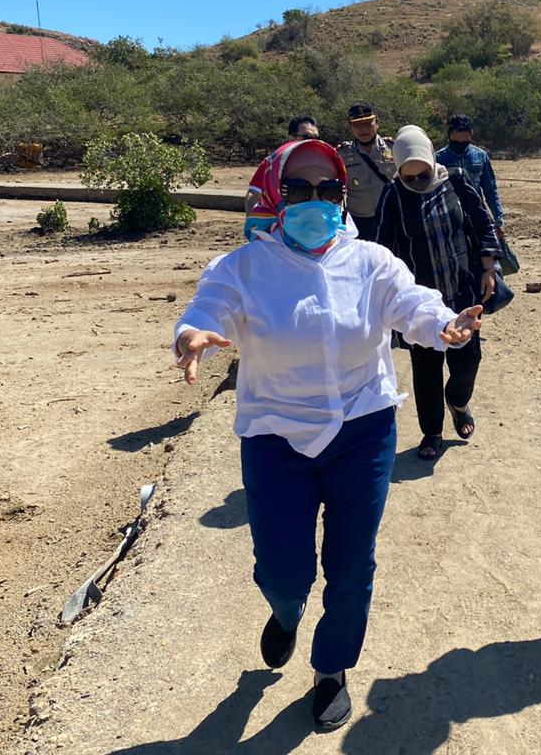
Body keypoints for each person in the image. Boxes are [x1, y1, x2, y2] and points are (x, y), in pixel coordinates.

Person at [174, 138, 483, 730]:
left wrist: (443, 324)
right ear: (273, 195)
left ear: (344, 197)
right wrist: (192, 335)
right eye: (298, 189)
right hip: (274, 437)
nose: (315, 200)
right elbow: (207, 308)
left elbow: (410, 302)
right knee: (284, 568)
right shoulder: (242, 268)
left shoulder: (371, 262)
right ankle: (286, 610)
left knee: (351, 564)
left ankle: (332, 668)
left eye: (328, 189)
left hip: (362, 430)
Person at [373, 125, 500, 461]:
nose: (417, 182)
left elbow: (482, 222)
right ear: (399, 171)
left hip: (462, 292)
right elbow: (382, 248)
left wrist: (489, 268)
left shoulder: (456, 180)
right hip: (420, 302)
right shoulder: (393, 195)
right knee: (425, 367)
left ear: (431, 159)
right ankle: (432, 431)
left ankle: (458, 401)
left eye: (423, 174)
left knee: (468, 359)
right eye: (409, 176)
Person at [435, 114, 505, 237]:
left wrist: (498, 219)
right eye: (456, 142)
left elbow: (490, 190)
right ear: (449, 135)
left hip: (477, 213)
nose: (460, 145)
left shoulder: (481, 156)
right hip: (450, 215)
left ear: (471, 135)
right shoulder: (437, 159)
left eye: (464, 142)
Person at [337, 101, 396, 240]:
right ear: (350, 127)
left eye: (368, 123)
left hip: (392, 218)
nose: (363, 129)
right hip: (359, 221)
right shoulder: (342, 155)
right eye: (357, 124)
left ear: (377, 122)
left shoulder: (393, 148)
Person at [244, 115, 322, 217]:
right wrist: (252, 221)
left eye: (317, 138)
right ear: (291, 138)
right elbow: (254, 194)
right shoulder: (271, 163)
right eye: (307, 137)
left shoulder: (324, 167)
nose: (313, 142)